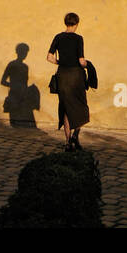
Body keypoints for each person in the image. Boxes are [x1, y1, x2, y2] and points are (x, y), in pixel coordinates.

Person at [47, 11, 89, 150]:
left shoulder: (58, 37)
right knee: (80, 107)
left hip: (63, 76)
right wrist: (88, 65)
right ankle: (75, 136)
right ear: (76, 24)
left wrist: (60, 61)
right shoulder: (78, 38)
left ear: (66, 23)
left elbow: (49, 57)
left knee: (66, 108)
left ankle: (67, 141)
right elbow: (81, 61)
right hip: (76, 76)